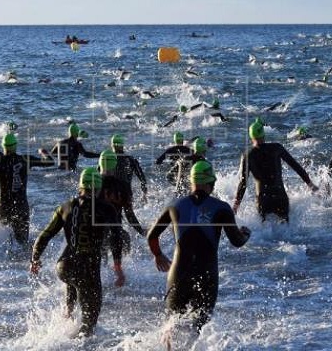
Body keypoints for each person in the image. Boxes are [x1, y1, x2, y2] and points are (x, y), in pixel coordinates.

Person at [147, 161, 251, 333]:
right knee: (200, 329)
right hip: (207, 275)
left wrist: (158, 254)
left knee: (170, 328)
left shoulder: (175, 205)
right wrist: (245, 234)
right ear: (211, 182)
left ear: (192, 182)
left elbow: (152, 236)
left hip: (178, 274)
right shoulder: (222, 208)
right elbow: (237, 241)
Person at [30, 168, 123, 337]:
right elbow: (116, 238)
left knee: (74, 280)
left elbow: (45, 235)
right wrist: (117, 266)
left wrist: (35, 259)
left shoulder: (65, 207)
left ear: (80, 186)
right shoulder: (106, 208)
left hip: (64, 267)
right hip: (87, 270)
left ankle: (68, 314)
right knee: (89, 325)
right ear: (98, 187)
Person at [0, 133, 54, 248]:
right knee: (23, 244)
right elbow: (50, 162)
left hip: (3, 207)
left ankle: (6, 261)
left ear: (3, 146)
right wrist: (44, 152)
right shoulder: (25, 159)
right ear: (15, 146)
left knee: (7, 242)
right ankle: (21, 263)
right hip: (21, 207)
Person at [233, 121, 318, 222]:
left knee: (264, 232)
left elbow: (243, 182)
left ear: (251, 136)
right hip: (280, 197)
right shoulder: (276, 148)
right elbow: (295, 166)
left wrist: (236, 205)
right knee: (286, 229)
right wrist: (310, 184)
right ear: (263, 134)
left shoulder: (248, 155)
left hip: (263, 200)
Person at [98, 150, 145, 260]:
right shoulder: (122, 187)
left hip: (96, 233)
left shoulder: (93, 185)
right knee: (125, 239)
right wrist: (142, 232)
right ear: (115, 165)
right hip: (116, 233)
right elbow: (130, 216)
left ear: (100, 163)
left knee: (101, 261)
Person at [111, 134, 148, 203]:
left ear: (112, 145)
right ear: (122, 145)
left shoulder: (107, 159)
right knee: (129, 213)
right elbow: (142, 178)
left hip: (112, 194)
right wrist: (144, 194)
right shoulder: (130, 159)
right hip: (127, 193)